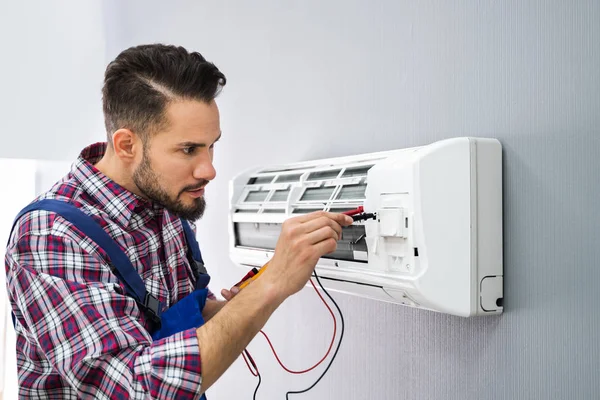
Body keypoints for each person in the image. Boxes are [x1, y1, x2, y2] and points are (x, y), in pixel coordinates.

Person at [3, 44, 353, 399]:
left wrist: (230, 307)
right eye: (188, 150)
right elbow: (137, 390)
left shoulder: (167, 201)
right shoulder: (52, 234)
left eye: (211, 145)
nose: (209, 170)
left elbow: (170, 319)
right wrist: (271, 285)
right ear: (126, 145)